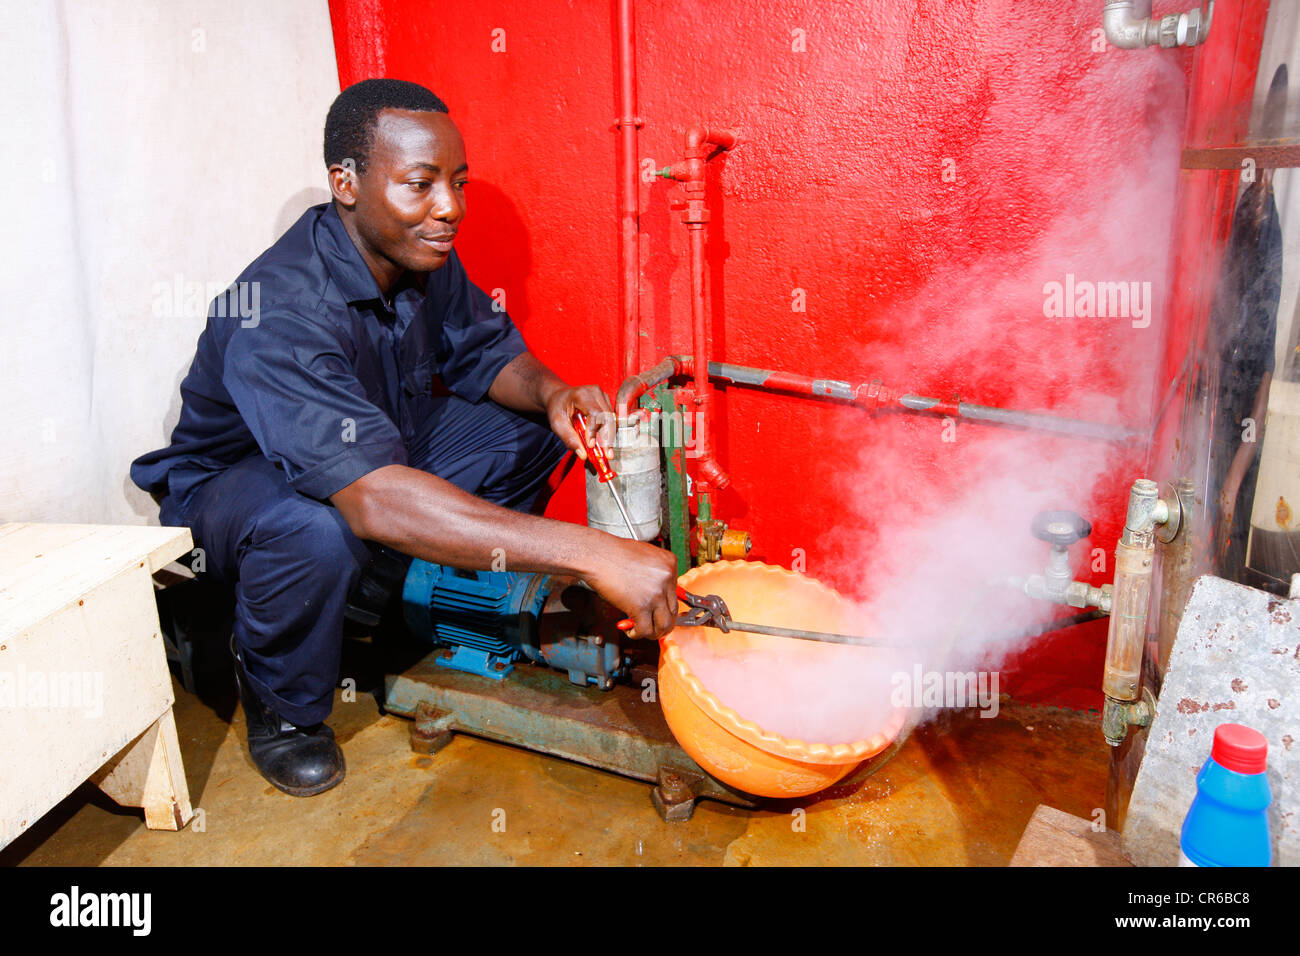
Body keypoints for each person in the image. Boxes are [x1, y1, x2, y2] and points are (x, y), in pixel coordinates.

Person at [131, 78, 678, 797]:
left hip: (373, 448)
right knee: (318, 530)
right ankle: (283, 703)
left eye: (457, 183)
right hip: (246, 486)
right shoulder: (278, 312)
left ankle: (382, 600)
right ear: (346, 184)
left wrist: (553, 395)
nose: (449, 208)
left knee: (532, 433)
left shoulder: (418, 253)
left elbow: (486, 356)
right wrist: (595, 553)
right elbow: (373, 499)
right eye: (420, 184)